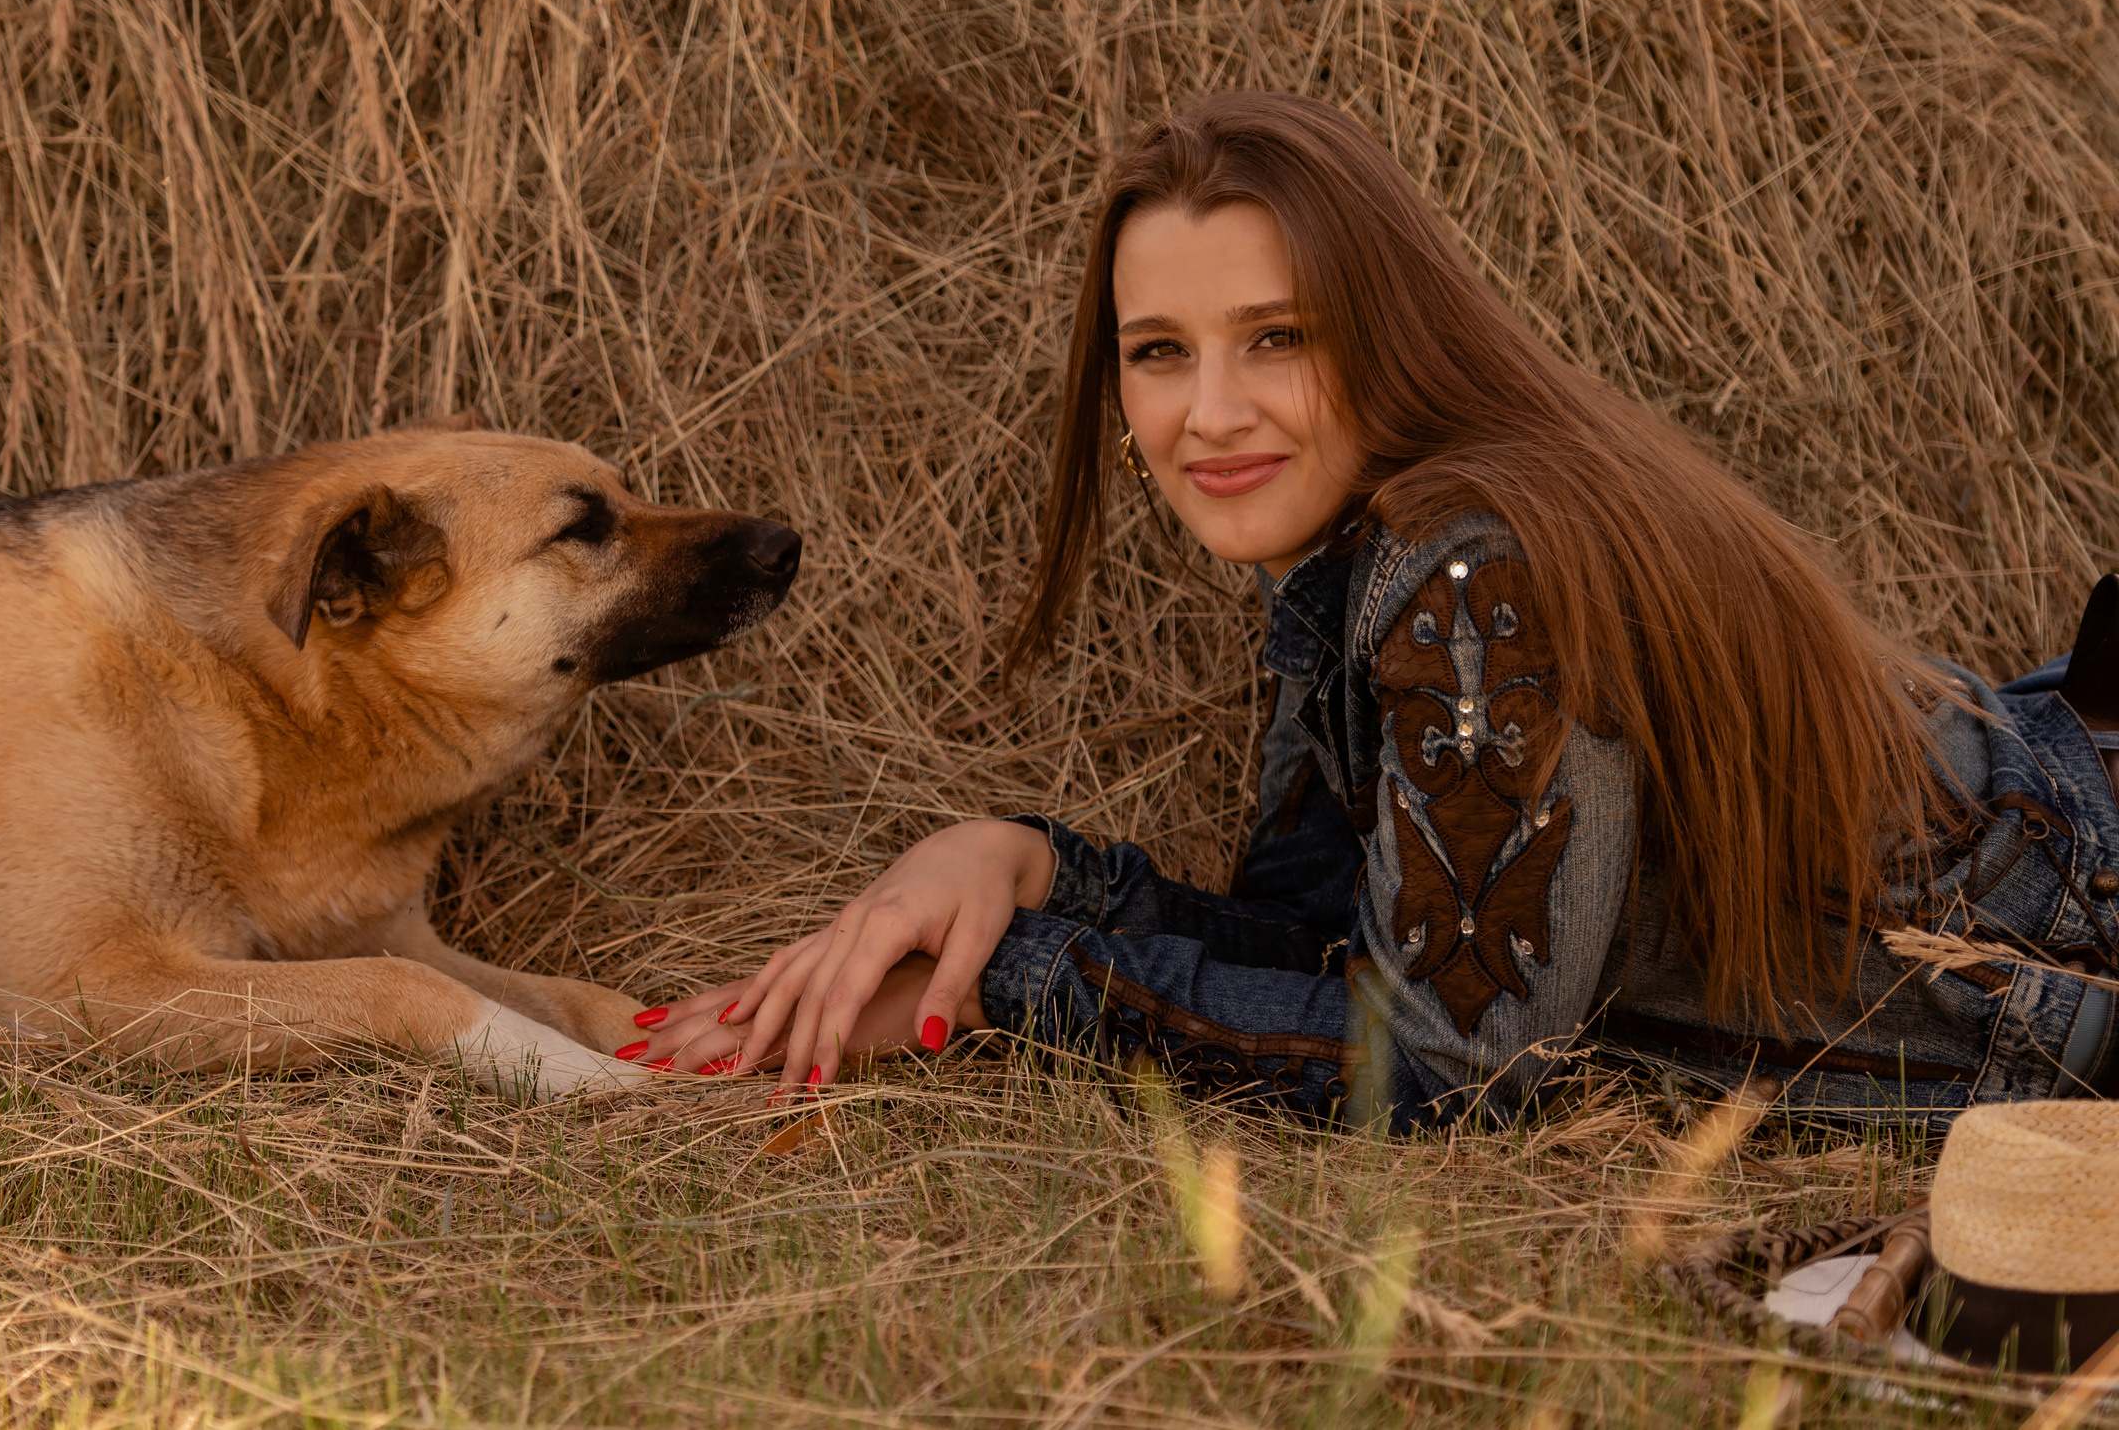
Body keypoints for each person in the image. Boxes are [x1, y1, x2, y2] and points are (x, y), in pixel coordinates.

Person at [618, 91, 2119, 1129]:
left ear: (1386, 325)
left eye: (1277, 336)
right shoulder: (1351, 549)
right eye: (1157, 351)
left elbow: (1451, 1067)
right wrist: (1020, 866)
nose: (1208, 413)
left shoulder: (1481, 569)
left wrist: (1009, 985)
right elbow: (1332, 936)